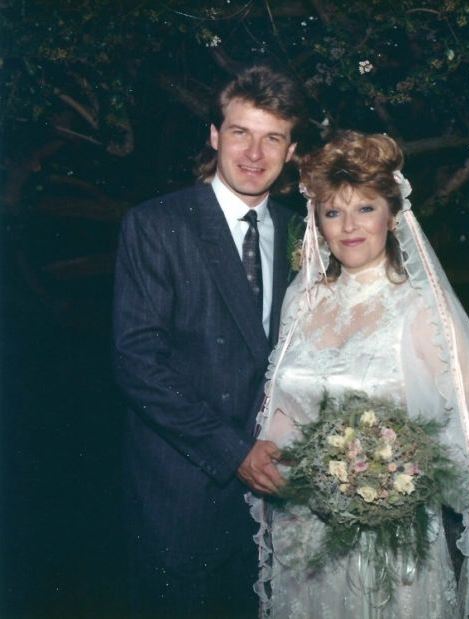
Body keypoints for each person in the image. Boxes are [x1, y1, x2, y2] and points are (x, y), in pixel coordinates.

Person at [248, 131, 469, 618]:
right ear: (317, 221)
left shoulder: (420, 309)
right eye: (332, 212)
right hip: (302, 538)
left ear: (392, 217)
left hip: (390, 543)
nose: (348, 226)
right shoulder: (300, 302)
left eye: (364, 208)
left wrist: (406, 480)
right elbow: (281, 408)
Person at [112, 64, 305, 618]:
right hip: (182, 492)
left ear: (292, 151)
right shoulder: (157, 224)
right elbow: (137, 363)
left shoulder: (304, 234)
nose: (253, 153)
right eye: (241, 132)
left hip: (277, 503)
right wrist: (233, 450)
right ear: (215, 135)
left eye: (273, 137)